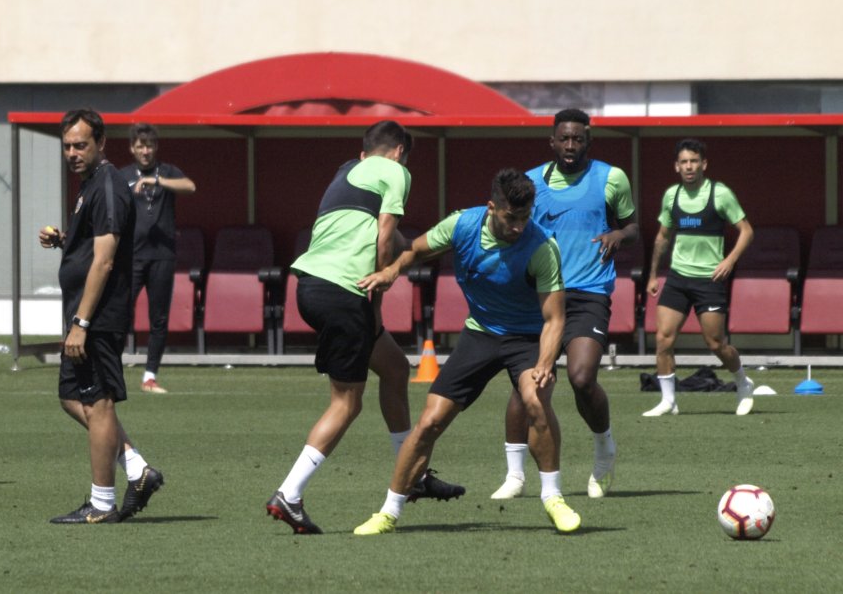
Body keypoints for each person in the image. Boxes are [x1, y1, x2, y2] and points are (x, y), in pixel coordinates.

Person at [353, 169, 580, 536]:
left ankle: (553, 498)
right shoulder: (462, 225)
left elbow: (555, 319)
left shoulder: (541, 246)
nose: (519, 226)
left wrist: (544, 362)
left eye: (525, 217)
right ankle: (388, 512)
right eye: (511, 218)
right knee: (429, 422)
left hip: (525, 339)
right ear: (492, 208)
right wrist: (392, 270)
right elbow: (415, 249)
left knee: (536, 400)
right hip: (480, 334)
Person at [265, 120, 463, 536]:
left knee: (393, 367)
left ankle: (413, 477)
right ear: (397, 153)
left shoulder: (346, 172)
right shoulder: (395, 170)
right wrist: (388, 273)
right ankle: (289, 493)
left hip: (313, 288)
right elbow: (386, 233)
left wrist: (406, 262)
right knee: (346, 403)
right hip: (342, 293)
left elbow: (391, 237)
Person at [490, 109, 638, 501]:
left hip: (589, 291)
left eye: (577, 139)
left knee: (582, 377)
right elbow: (515, 229)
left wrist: (618, 234)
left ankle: (604, 448)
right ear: (552, 141)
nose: (570, 146)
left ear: (587, 140)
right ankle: (515, 475)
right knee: (527, 384)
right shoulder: (533, 182)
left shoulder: (611, 178)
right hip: (540, 294)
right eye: (564, 139)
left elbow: (634, 226)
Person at [39, 108, 163, 524]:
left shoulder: (108, 185)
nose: (73, 153)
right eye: (68, 146)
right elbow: (92, 249)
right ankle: (136, 468)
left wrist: (82, 323)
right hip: (83, 314)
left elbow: (106, 261)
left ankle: (102, 504)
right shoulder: (90, 186)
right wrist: (65, 241)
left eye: (81, 145)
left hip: (98, 317)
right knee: (73, 399)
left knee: (99, 402)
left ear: (101, 144)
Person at [644, 138, 755, 417]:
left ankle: (743, 382)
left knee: (716, 343)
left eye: (694, 161)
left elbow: (747, 231)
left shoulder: (720, 194)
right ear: (676, 167)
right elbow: (662, 237)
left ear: (703, 164)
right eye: (684, 162)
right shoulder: (672, 196)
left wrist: (729, 260)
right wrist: (654, 275)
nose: (689, 166)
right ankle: (668, 400)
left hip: (709, 280)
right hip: (678, 278)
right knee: (663, 340)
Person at [120, 122, 196, 394]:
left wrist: (157, 181)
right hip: (131, 256)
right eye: (140, 146)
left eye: (149, 145)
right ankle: (111, 369)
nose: (145, 150)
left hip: (162, 256)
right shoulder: (123, 175)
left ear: (155, 148)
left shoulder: (167, 172)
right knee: (119, 313)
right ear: (132, 148)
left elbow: (190, 186)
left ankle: (150, 376)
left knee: (159, 319)